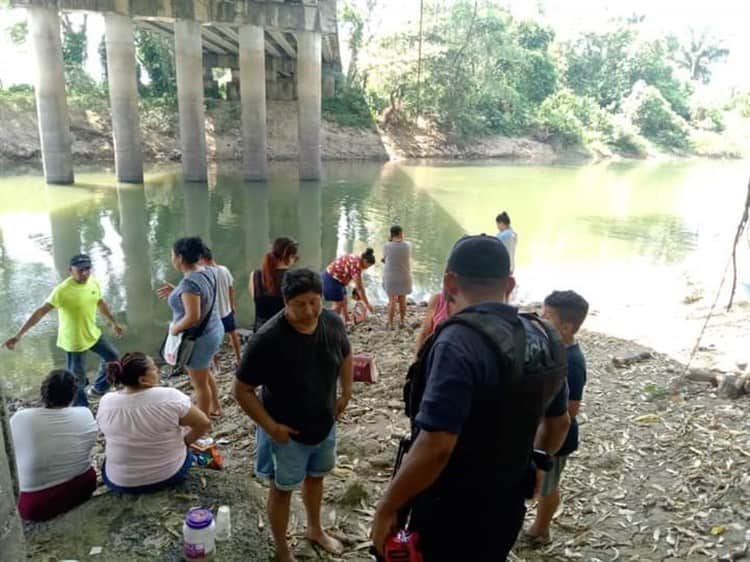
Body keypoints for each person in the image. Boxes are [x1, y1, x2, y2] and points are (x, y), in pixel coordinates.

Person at [370, 235, 566, 562]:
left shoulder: (458, 343)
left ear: (449, 281)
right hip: (506, 505)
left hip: (450, 510)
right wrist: (537, 458)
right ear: (510, 283)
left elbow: (436, 446)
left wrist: (388, 507)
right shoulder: (543, 336)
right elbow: (559, 422)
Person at [233, 269, 353, 562]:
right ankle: (283, 551)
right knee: (282, 489)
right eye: (300, 304)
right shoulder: (267, 340)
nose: (310, 311)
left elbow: (347, 355)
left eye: (315, 302)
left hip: (324, 425)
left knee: (316, 478)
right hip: (286, 433)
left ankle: (315, 529)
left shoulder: (332, 322)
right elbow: (242, 390)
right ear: (285, 301)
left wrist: (345, 395)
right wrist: (271, 427)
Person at [3, 253, 123, 407]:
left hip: (93, 334)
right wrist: (19, 335)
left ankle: (98, 389)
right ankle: (81, 408)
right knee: (76, 379)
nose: (85, 273)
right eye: (80, 270)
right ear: (70, 270)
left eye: (87, 269)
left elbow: (100, 302)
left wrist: (113, 322)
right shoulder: (62, 291)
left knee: (113, 358)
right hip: (74, 342)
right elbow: (41, 312)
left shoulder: (93, 282)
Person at [97, 352, 211, 494]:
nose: (157, 370)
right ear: (143, 380)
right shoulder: (169, 397)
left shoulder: (106, 401)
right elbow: (204, 424)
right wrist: (185, 442)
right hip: (168, 475)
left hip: (120, 482)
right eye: (153, 368)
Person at [526, 290, 589, 544]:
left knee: (547, 485)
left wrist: (545, 418)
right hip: (546, 429)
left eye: (547, 315)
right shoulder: (554, 350)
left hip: (558, 437)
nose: (541, 318)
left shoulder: (572, 361)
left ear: (565, 327)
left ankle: (541, 530)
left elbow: (571, 409)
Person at [10, 369, 98, 521]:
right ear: (73, 394)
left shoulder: (21, 418)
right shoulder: (85, 413)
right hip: (83, 487)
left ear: (43, 391)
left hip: (35, 505)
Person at [157, 237, 224, 418]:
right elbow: (200, 298)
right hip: (214, 329)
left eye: (172, 255)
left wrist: (174, 329)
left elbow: (192, 317)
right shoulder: (207, 271)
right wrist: (177, 292)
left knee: (199, 385)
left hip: (200, 338)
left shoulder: (189, 284)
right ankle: (216, 407)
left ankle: (203, 424)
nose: (171, 258)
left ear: (179, 257)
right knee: (205, 371)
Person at [250, 237, 299, 332]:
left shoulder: (255, 275)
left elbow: (256, 299)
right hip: (285, 332)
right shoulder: (294, 277)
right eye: (295, 258)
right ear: (290, 257)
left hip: (261, 332)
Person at [202, 247, 241, 364]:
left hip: (213, 314)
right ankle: (239, 358)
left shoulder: (205, 274)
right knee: (233, 334)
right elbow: (230, 288)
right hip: (226, 310)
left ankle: (215, 364)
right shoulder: (224, 270)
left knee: (212, 339)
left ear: (202, 259)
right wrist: (232, 304)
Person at [322, 249, 376, 323]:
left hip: (338, 279)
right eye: (367, 266)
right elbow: (359, 288)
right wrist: (367, 304)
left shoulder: (357, 258)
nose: (366, 268)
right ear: (365, 261)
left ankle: (347, 320)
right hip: (332, 278)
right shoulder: (357, 265)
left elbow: (355, 281)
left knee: (344, 299)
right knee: (338, 305)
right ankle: (329, 323)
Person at [382, 225, 412, 329]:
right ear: (400, 233)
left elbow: (385, 259)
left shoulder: (387, 246)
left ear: (391, 234)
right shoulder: (408, 246)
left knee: (392, 301)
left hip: (391, 278)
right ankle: (402, 322)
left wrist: (389, 240)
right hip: (404, 277)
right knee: (403, 299)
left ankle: (390, 324)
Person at [496, 212, 518, 299]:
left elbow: (496, 249)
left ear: (501, 223)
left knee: (501, 288)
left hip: (502, 266)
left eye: (498, 224)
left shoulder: (502, 235)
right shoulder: (513, 234)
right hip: (511, 265)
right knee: (507, 287)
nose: (497, 227)